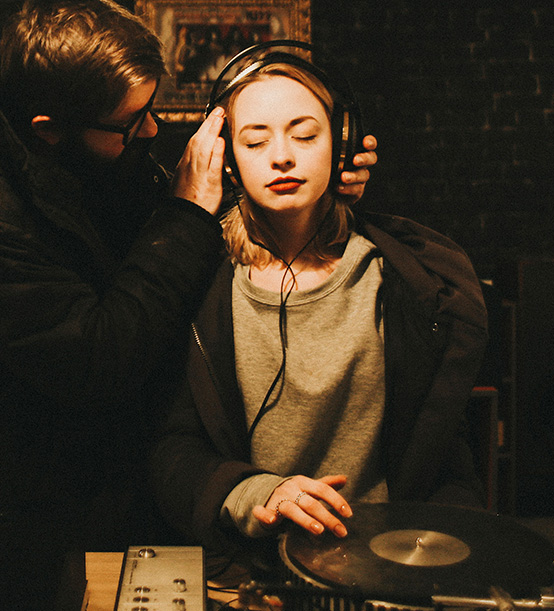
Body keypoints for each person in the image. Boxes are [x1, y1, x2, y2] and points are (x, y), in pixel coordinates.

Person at [0, 0, 377, 608]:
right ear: (48, 133)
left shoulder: (70, 142)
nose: (154, 131)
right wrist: (187, 212)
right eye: (131, 124)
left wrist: (340, 192)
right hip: (29, 510)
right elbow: (97, 359)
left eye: (306, 135)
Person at [149, 53, 486, 579]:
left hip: (391, 567)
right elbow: (171, 448)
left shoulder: (405, 283)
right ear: (228, 158)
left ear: (342, 146)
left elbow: (443, 448)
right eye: (256, 141)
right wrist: (255, 492)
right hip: (251, 572)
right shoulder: (197, 283)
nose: (281, 156)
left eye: (304, 136)